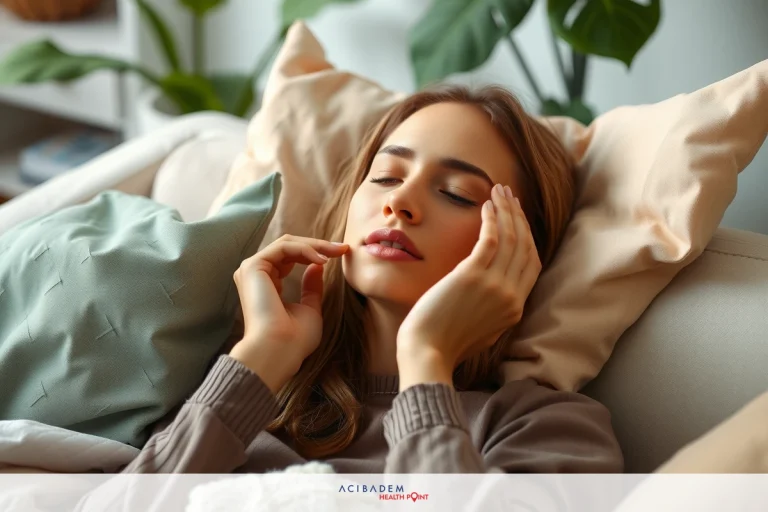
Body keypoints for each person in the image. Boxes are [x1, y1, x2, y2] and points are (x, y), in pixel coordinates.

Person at [117, 85, 624, 474]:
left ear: (519, 251)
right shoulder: (246, 394)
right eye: (385, 176)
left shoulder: (548, 429)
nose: (398, 202)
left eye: (456, 193)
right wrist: (264, 353)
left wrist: (426, 359)